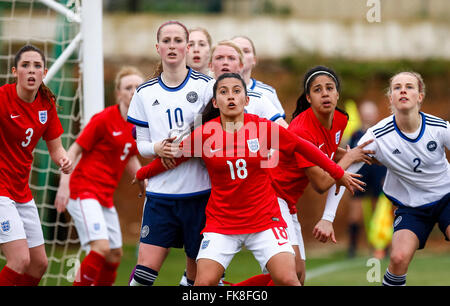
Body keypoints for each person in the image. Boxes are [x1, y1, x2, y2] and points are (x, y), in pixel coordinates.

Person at [134, 72, 366, 286]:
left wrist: (338, 173)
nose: (231, 96)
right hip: (222, 224)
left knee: (289, 279)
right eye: (223, 92)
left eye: (237, 91)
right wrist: (142, 174)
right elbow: (173, 157)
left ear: (246, 100)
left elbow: (303, 147)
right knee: (203, 284)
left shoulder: (263, 127)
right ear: (215, 103)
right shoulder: (204, 133)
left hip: (264, 219)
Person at [226, 66, 374, 286]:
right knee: (289, 274)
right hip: (270, 197)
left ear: (337, 94)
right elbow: (321, 183)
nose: (324, 93)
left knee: (298, 276)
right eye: (317, 90)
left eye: (329, 88)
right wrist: (350, 157)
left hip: (287, 200)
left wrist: (356, 154)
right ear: (308, 97)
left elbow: (328, 151)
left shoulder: (341, 119)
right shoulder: (300, 129)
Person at [321, 71, 450, 286]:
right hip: (411, 206)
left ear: (420, 96)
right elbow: (344, 174)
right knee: (398, 259)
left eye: (409, 86)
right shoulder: (377, 136)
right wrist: (327, 217)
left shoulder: (440, 128)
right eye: (397, 87)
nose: (403, 90)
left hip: (446, 197)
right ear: (390, 97)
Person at [127, 20, 216, 286]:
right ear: (158, 47)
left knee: (197, 277)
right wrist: (157, 148)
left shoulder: (206, 87)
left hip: (199, 195)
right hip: (161, 197)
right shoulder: (144, 93)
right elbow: (141, 145)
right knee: (144, 273)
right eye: (166, 41)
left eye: (178, 40)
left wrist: (188, 147)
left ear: (187, 47)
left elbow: (215, 137)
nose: (172, 45)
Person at [54, 66, 145, 286]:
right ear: (118, 93)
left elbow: (130, 156)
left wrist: (145, 181)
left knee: (114, 254)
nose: (133, 91)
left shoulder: (138, 126)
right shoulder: (103, 119)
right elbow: (74, 150)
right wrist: (64, 184)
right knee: (101, 248)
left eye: (138, 87)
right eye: (128, 87)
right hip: (83, 191)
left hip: (104, 196)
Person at [0, 44, 73, 286]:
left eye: (37, 66)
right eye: (25, 65)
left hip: (21, 191)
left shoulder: (46, 103)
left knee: (38, 263)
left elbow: (56, 148)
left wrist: (63, 159)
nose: (31, 71)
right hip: (1, 190)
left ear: (44, 71)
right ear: (14, 71)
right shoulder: (2, 98)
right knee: (19, 259)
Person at [209, 40, 288, 128]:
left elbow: (286, 132)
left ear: (241, 66)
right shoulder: (201, 95)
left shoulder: (257, 99)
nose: (225, 62)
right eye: (219, 58)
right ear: (210, 65)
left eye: (231, 58)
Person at [346, 100, 387, 258]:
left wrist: (386, 176)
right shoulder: (355, 135)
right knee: (355, 213)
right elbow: (348, 155)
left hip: (378, 174)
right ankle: (352, 248)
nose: (368, 116)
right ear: (361, 115)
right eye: (366, 112)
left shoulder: (382, 132)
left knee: (381, 214)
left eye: (371, 113)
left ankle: (382, 247)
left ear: (376, 115)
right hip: (359, 175)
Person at [231, 35, 285, 118]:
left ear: (254, 60)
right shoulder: (212, 89)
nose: (240, 55)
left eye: (246, 51)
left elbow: (279, 128)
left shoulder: (267, 92)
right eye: (235, 51)